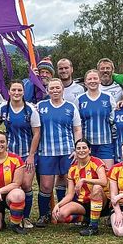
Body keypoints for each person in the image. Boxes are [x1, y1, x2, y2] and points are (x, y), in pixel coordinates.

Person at [34, 78, 82, 227]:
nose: (55, 91)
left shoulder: (70, 107)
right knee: (46, 186)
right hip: (47, 152)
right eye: (51, 88)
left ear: (62, 89)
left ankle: (65, 211)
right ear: (47, 90)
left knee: (67, 181)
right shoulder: (40, 107)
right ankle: (44, 215)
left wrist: (76, 148)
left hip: (67, 151)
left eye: (57, 88)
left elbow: (77, 129)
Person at [0, 80, 40, 227]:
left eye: (19, 90)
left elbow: (36, 133)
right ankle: (9, 215)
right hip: (9, 155)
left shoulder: (30, 110)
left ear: (23, 92)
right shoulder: (3, 108)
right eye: (13, 90)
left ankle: (25, 217)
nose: (16, 93)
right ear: (9, 92)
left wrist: (31, 155)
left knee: (26, 184)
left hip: (26, 153)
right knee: (10, 185)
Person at [52, 139, 108, 236]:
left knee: (97, 187)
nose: (81, 150)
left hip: (103, 201)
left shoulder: (96, 162)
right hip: (83, 202)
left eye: (84, 148)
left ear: (89, 150)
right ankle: (86, 218)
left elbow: (104, 181)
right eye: (78, 148)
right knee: (60, 215)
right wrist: (58, 205)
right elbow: (70, 195)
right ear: (75, 151)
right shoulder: (72, 169)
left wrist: (84, 180)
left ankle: (93, 227)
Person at [76, 69, 115, 170]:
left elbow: (113, 119)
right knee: (89, 174)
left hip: (105, 143)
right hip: (87, 145)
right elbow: (76, 123)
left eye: (95, 78)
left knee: (107, 174)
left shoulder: (108, 97)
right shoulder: (80, 99)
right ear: (85, 82)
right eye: (89, 79)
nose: (92, 81)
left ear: (99, 81)